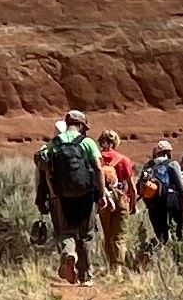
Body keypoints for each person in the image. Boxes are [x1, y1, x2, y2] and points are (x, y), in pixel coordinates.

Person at [33, 111, 104, 284]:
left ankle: (69, 253)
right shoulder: (88, 142)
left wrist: (52, 193)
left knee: (66, 232)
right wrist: (100, 194)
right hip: (86, 196)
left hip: (62, 196)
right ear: (81, 125)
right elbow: (99, 169)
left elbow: (45, 169)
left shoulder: (54, 143)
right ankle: (86, 276)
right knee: (86, 235)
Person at [138, 139, 183, 259]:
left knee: (160, 234)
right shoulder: (172, 164)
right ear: (168, 152)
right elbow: (180, 185)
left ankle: (155, 258)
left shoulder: (147, 167)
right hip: (171, 199)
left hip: (154, 203)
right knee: (178, 231)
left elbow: (141, 185)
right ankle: (178, 258)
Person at [96, 128, 137, 278]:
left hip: (104, 200)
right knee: (120, 235)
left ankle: (110, 266)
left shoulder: (96, 158)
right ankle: (118, 270)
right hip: (120, 199)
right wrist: (133, 204)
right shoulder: (123, 160)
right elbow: (131, 186)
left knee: (108, 235)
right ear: (115, 142)